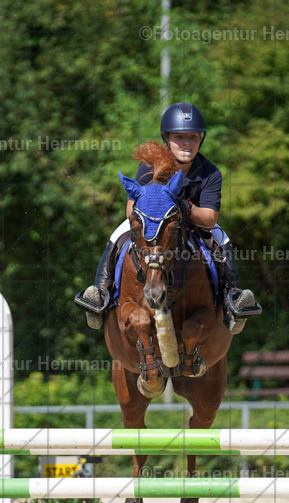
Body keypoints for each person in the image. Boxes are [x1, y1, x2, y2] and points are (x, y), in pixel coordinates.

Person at [74, 102, 261, 334]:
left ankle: (233, 297)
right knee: (118, 234)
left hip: (194, 224)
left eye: (193, 137)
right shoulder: (149, 166)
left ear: (200, 140)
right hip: (152, 224)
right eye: (179, 137)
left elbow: (210, 217)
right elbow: (130, 208)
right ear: (166, 138)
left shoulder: (210, 172)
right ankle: (101, 294)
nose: (186, 143)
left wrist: (184, 207)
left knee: (222, 238)